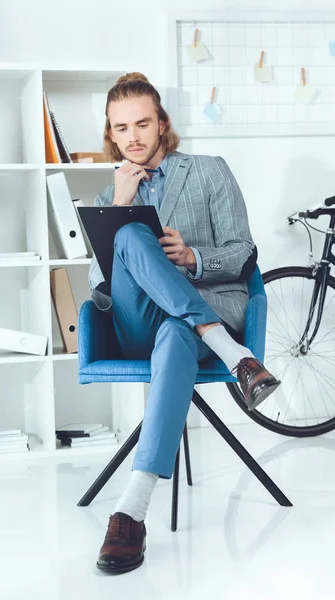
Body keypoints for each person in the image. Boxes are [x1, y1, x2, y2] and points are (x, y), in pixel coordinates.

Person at [86, 72, 280, 574]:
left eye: (143, 123)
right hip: (140, 325)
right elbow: (98, 285)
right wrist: (122, 206)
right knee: (127, 233)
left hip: (191, 317)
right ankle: (231, 352)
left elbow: (244, 253)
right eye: (121, 128)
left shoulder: (210, 171)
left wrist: (192, 257)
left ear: (162, 123)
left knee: (177, 330)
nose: (132, 137)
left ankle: (131, 508)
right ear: (111, 133)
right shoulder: (111, 192)